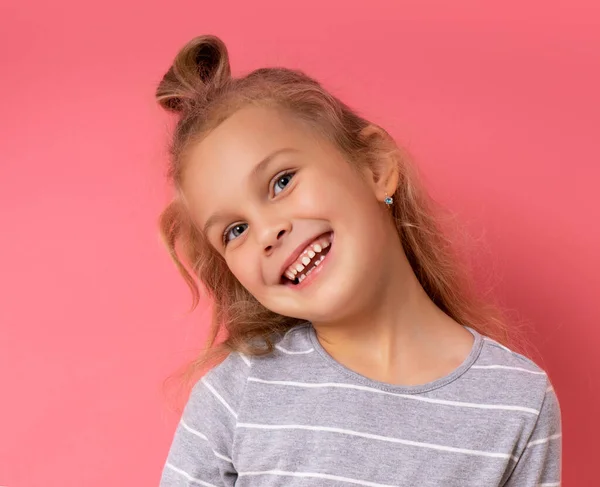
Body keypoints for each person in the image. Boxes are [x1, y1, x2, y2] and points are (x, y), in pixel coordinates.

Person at [155, 35, 561, 487]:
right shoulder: (235, 395)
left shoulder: (517, 401)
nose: (267, 233)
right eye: (235, 231)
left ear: (374, 166)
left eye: (282, 181)